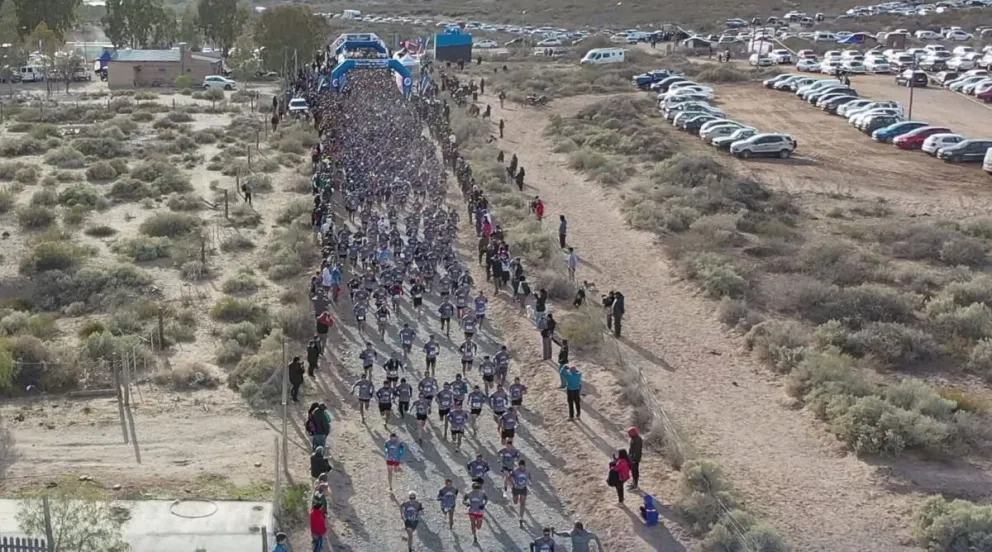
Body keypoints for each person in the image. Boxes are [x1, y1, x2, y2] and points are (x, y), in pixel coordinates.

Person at [510, 459, 531, 527]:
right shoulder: (515, 471)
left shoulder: (527, 471)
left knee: (522, 503)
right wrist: (513, 483)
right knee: (515, 502)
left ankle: (521, 518)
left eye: (523, 466)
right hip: (516, 489)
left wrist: (529, 482)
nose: (522, 468)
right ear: (519, 466)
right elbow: (510, 477)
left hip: (523, 489)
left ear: (525, 466)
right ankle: (516, 499)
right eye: (520, 466)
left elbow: (529, 478)